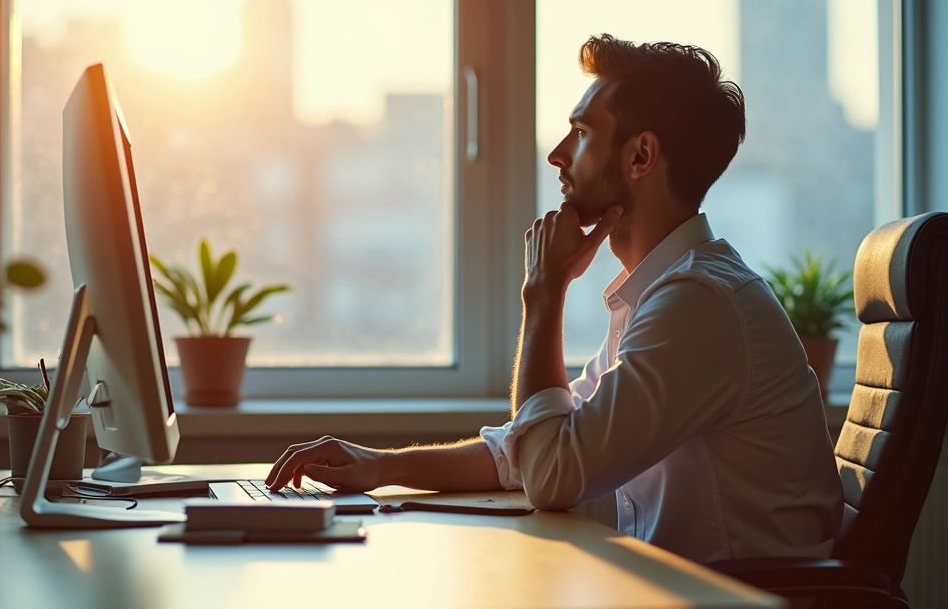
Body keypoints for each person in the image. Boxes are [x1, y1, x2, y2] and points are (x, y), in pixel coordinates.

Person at [266, 34, 843, 563]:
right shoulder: (662, 296)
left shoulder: (699, 303)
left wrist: (544, 294)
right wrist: (380, 467)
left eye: (583, 132)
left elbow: (553, 473)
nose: (558, 155)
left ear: (641, 156)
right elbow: (531, 451)